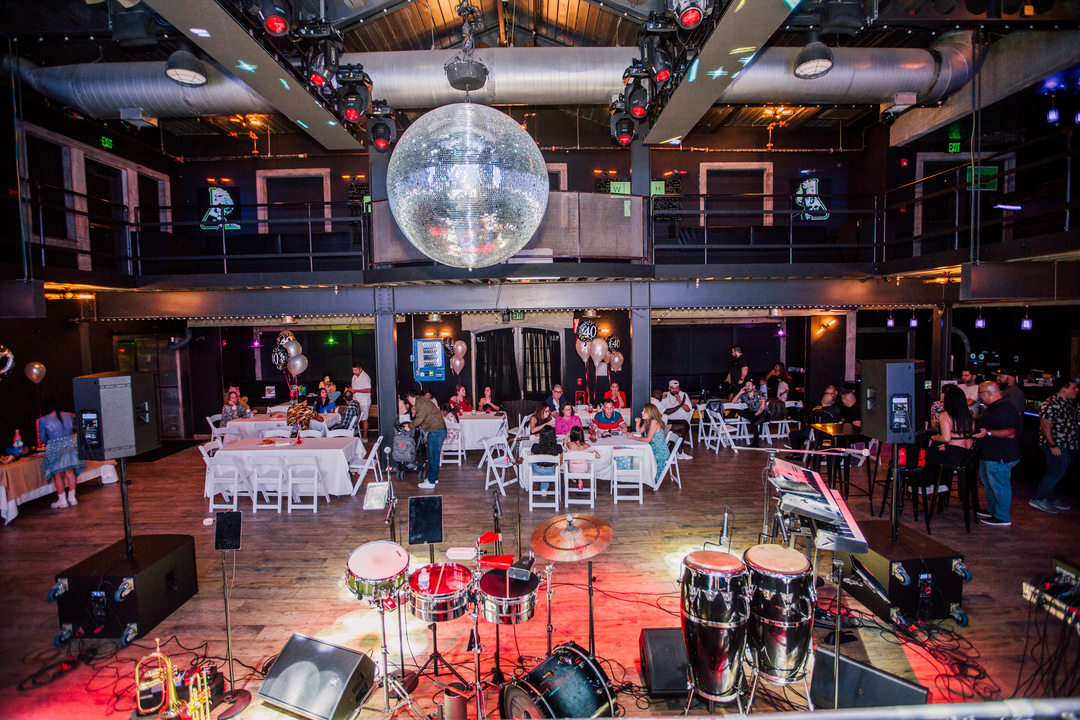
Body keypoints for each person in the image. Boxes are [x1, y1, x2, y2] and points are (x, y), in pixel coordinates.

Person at [975, 381, 1022, 527]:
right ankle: (992, 510)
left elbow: (1010, 432)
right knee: (989, 483)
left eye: (980, 393)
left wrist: (987, 433)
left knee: (999, 485)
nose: (979, 397)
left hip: (1000, 454)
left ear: (989, 393)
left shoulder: (1004, 408)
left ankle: (1002, 516)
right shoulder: (994, 407)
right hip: (990, 453)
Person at [1030, 377, 1078, 514]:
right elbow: (1045, 425)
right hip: (1057, 444)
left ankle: (1049, 497)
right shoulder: (1050, 403)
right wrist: (1052, 445)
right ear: (1064, 389)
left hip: (1068, 443)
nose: (1077, 390)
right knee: (1056, 471)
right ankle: (1038, 498)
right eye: (1074, 387)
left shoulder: (1068, 403)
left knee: (1057, 471)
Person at [39, 401, 85, 509]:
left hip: (54, 447)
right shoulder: (70, 415)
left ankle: (62, 500)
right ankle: (72, 498)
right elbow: (77, 429)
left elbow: (42, 437)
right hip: (70, 444)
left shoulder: (43, 419)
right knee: (70, 472)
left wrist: (47, 443)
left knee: (57, 474)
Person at [927, 385, 977, 468]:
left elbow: (946, 438)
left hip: (955, 455)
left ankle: (941, 477)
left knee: (930, 454)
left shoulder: (945, 415)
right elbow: (972, 431)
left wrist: (933, 437)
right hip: (970, 453)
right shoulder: (969, 413)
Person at [406, 388, 446, 490]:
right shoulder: (422, 401)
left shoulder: (420, 403)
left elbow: (420, 418)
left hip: (436, 431)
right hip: (436, 430)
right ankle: (433, 478)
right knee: (432, 454)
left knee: (433, 456)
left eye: (408, 399)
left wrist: (409, 426)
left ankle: (431, 482)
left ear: (409, 397)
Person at [629, 403, 670, 488]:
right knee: (638, 456)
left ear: (650, 413)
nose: (642, 413)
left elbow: (648, 439)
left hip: (660, 453)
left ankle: (638, 477)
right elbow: (639, 431)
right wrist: (637, 423)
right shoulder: (648, 421)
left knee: (638, 457)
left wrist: (634, 438)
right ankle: (639, 477)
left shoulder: (654, 422)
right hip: (653, 450)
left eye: (644, 411)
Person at [660, 380, 693, 460]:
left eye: (676, 388)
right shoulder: (665, 395)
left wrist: (680, 401)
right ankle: (671, 450)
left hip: (682, 419)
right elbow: (660, 409)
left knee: (683, 427)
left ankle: (680, 452)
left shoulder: (684, 395)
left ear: (679, 388)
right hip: (669, 419)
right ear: (669, 388)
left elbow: (688, 409)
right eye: (673, 388)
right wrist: (660, 398)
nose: (675, 390)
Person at [733, 380, 769, 448]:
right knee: (740, 412)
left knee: (754, 421)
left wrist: (754, 416)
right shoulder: (744, 395)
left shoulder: (759, 393)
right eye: (746, 385)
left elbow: (762, 407)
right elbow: (733, 401)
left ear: (753, 386)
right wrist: (740, 392)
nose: (748, 387)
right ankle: (755, 443)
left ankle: (755, 443)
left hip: (763, 413)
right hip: (753, 413)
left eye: (749, 385)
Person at [529, 426, 562, 492]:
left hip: (538, 470)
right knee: (551, 467)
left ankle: (544, 488)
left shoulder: (535, 446)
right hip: (552, 470)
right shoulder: (558, 447)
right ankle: (544, 488)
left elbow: (534, 461)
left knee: (535, 464)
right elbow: (559, 462)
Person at [350, 363, 373, 440]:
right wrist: (349, 389)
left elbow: (368, 390)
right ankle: (354, 436)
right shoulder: (354, 377)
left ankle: (365, 437)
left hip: (364, 401)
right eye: (353, 370)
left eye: (356, 370)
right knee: (355, 419)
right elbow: (353, 386)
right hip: (356, 400)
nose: (354, 372)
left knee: (364, 420)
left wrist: (356, 390)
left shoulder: (365, 377)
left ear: (360, 369)